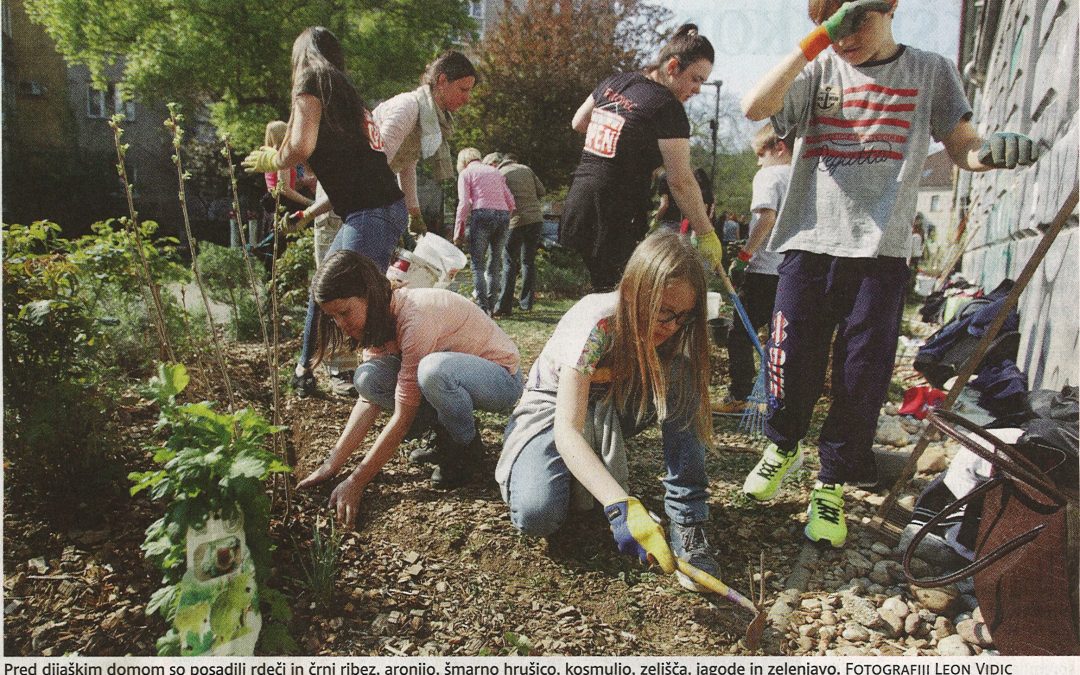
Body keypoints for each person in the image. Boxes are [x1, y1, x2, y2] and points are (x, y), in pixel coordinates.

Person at [738, 0, 1038, 547]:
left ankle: (830, 484)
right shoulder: (820, 67)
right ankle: (782, 446)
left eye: (859, 22)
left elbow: (963, 146)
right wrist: (820, 37)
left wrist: (989, 153)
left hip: (880, 252)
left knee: (862, 373)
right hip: (807, 242)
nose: (845, 38)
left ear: (891, 6)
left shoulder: (930, 70)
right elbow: (754, 106)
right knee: (790, 355)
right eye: (832, 26)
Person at [497, 230, 720, 591]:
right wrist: (620, 504)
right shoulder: (597, 321)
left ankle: (688, 520)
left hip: (614, 403)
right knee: (537, 514)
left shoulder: (678, 331)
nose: (671, 327)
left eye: (683, 317)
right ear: (636, 292)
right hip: (554, 410)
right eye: (664, 313)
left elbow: (678, 398)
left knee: (681, 371)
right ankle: (542, 465)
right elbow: (567, 428)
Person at [296, 250, 524, 526]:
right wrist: (332, 464)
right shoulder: (377, 320)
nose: (341, 325)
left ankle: (466, 447)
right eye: (334, 317)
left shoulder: (414, 318)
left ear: (369, 295)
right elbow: (369, 400)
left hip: (500, 378)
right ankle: (443, 431)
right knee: (368, 378)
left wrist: (357, 481)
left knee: (432, 372)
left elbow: (403, 416)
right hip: (455, 377)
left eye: (345, 312)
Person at [243, 27, 407, 399]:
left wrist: (275, 157)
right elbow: (350, 174)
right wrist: (307, 214)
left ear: (301, 57)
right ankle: (310, 370)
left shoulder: (311, 79)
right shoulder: (345, 93)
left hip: (371, 211)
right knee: (339, 291)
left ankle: (388, 374)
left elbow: (299, 146)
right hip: (381, 208)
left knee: (345, 292)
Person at [558, 24, 725, 291]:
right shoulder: (668, 108)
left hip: (581, 201)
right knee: (621, 298)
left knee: (607, 290)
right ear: (672, 67)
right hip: (616, 212)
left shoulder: (617, 81)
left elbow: (579, 121)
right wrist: (706, 232)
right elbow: (681, 180)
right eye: (696, 79)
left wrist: (624, 142)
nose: (697, 90)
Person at [290, 51, 478, 241]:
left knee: (357, 268)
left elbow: (406, 162)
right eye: (463, 90)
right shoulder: (408, 108)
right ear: (442, 80)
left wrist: (414, 214)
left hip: (360, 200)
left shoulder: (426, 119)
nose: (467, 99)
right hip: (339, 197)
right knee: (332, 268)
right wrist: (310, 213)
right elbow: (368, 172)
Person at [714, 125, 792, 416]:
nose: (759, 161)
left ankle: (740, 395)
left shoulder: (769, 176)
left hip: (765, 269)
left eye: (761, 154)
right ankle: (781, 399)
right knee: (781, 337)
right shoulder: (804, 176)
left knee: (740, 334)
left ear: (779, 148)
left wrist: (744, 256)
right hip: (794, 269)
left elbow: (767, 218)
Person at [454, 148, 515, 315]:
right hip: (502, 215)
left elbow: (464, 204)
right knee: (495, 264)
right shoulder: (495, 172)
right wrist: (503, 218)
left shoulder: (466, 173)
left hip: (481, 214)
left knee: (477, 265)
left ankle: (482, 307)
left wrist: (458, 232)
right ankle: (492, 306)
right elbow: (511, 203)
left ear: (463, 161)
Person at [484, 152, 546, 316]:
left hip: (515, 222)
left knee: (509, 262)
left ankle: (504, 305)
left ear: (499, 163)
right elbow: (542, 191)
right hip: (535, 219)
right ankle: (526, 303)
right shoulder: (526, 169)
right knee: (528, 261)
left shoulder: (499, 174)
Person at [652, 168, 714, 233]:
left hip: (667, 224)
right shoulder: (684, 177)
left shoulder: (664, 178)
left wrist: (656, 221)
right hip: (682, 225)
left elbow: (664, 205)